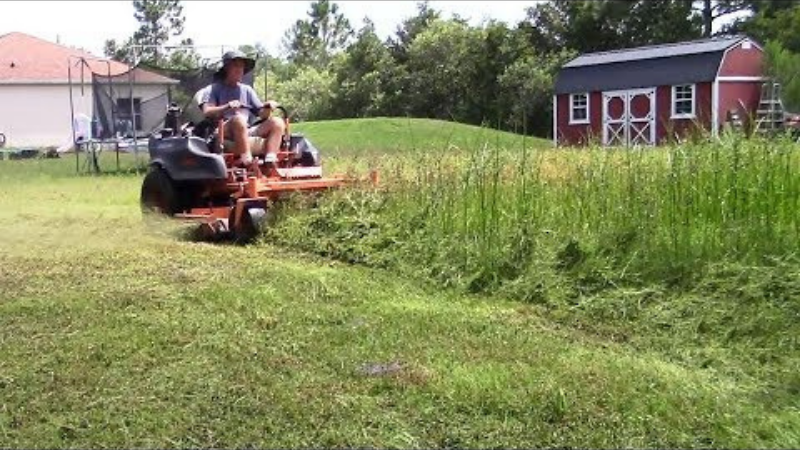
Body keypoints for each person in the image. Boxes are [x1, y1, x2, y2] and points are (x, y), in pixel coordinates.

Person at [201, 50, 284, 165]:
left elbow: (261, 114)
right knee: (239, 119)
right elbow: (207, 111)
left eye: (242, 67)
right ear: (226, 68)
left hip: (246, 129)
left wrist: (268, 107)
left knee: (278, 122)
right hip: (223, 131)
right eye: (236, 66)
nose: (240, 70)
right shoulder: (213, 89)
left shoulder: (247, 90)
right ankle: (246, 159)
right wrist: (227, 106)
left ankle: (270, 160)